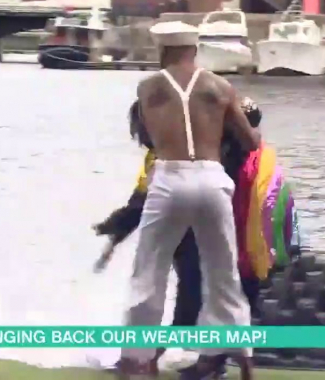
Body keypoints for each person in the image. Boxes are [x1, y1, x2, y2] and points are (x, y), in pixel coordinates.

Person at [115, 21, 260, 380]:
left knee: (149, 271)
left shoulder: (148, 87)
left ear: (162, 50)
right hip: (212, 179)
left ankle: (138, 360)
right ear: (194, 49)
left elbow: (151, 134)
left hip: (169, 178)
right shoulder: (221, 86)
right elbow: (252, 142)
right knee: (223, 272)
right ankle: (241, 356)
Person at [94, 97, 266, 378]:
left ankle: (203, 361)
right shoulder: (159, 157)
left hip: (234, 230)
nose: (142, 136)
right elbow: (141, 202)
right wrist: (114, 238)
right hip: (190, 236)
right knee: (191, 293)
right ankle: (162, 357)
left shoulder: (215, 144)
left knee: (209, 294)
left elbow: (250, 122)